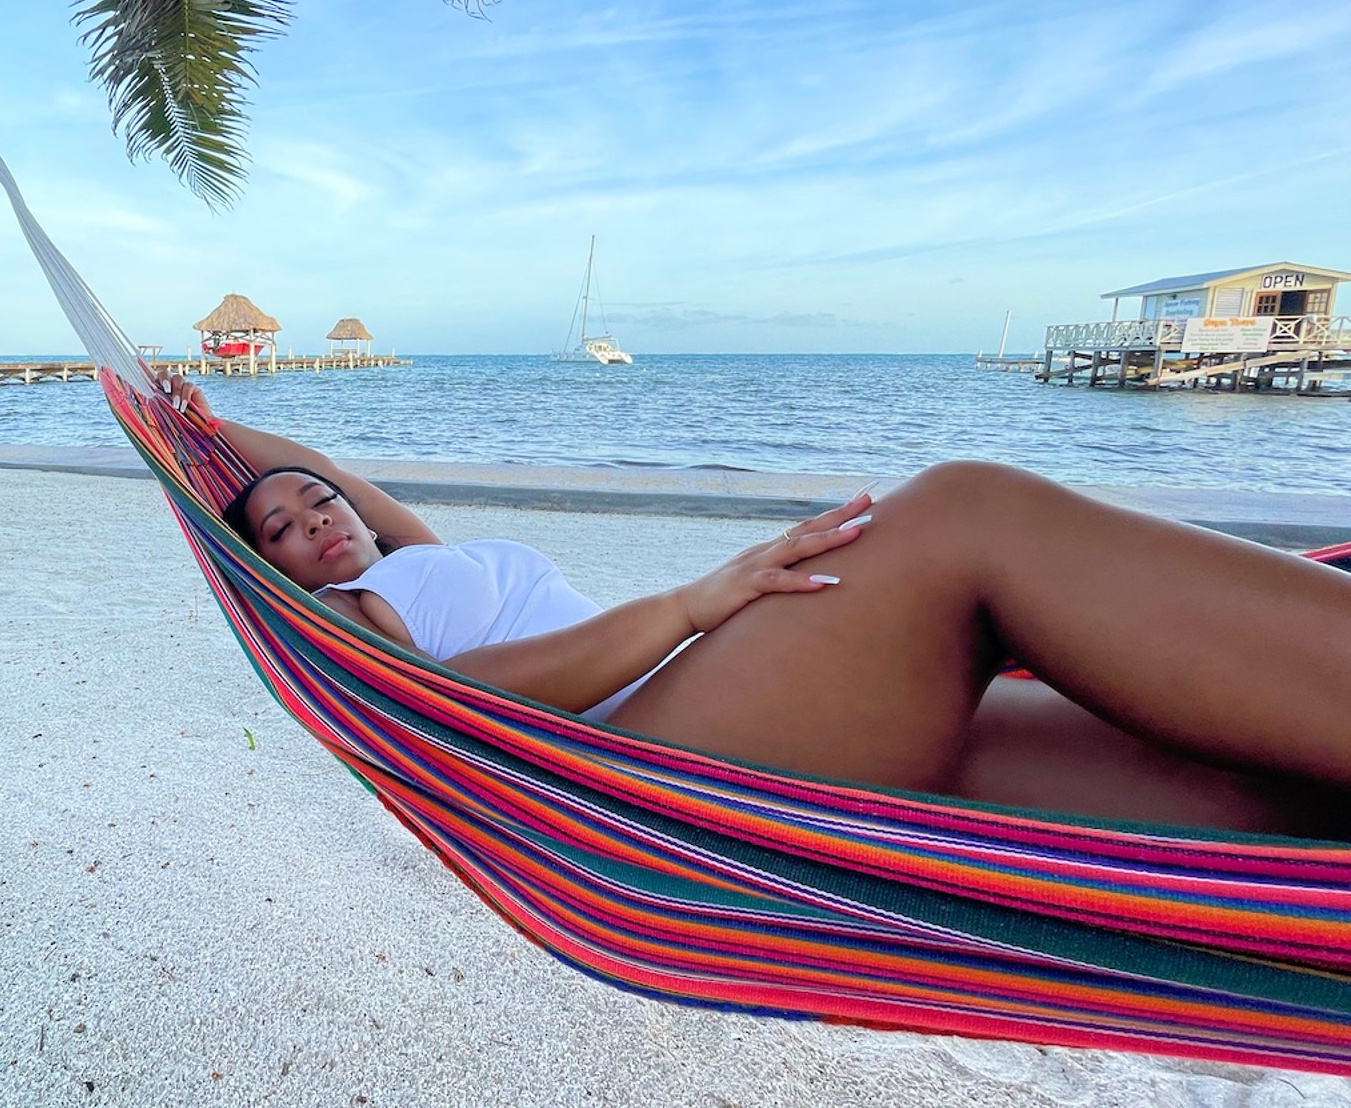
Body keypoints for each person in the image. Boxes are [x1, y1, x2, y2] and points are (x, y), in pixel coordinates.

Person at [154, 372, 1351, 838]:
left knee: (1216, 773)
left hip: (713, 708)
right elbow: (450, 704)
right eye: (283, 532)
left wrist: (205, 425)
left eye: (321, 504)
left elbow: (318, 473)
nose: (314, 519)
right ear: (288, 572)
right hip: (631, 753)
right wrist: (692, 601)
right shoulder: (363, 610)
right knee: (959, 517)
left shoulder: (413, 550)